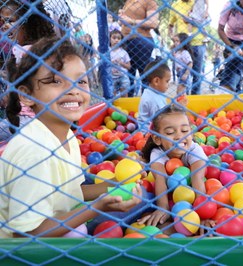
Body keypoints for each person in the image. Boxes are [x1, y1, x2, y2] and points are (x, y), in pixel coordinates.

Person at [0, 37, 143, 238]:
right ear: (26, 96)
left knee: (145, 200)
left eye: (81, 81)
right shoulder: (34, 151)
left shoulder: (66, 135)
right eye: (56, 81)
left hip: (59, 223)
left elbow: (67, 194)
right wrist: (95, 208)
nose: (73, 90)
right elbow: (25, 235)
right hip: (22, 250)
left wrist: (110, 187)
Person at [138, 106, 207, 227]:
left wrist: (201, 215)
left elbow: (197, 178)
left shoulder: (195, 150)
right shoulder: (157, 153)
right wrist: (163, 208)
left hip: (188, 193)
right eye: (170, 132)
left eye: (185, 130)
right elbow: (160, 178)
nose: (179, 136)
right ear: (157, 138)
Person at [0, 0, 56, 141]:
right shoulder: (31, 48)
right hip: (27, 117)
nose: (4, 25)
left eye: (10, 20)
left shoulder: (27, 51)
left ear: (27, 22)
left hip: (28, 119)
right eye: (3, 21)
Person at [119, 0, 159, 96]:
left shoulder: (149, 1)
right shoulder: (128, 1)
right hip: (125, 41)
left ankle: (146, 104)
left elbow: (153, 23)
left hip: (141, 40)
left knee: (144, 75)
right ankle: (129, 104)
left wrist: (132, 21)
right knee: (127, 76)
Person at [169, 0, 207, 95]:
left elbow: (205, 19)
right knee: (182, 72)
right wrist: (173, 39)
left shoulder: (198, 2)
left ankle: (195, 97)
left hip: (198, 43)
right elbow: (170, 25)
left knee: (197, 74)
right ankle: (182, 97)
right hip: (183, 46)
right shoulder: (175, 5)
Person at [137, 60, 172, 131]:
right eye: (167, 81)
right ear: (156, 81)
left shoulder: (151, 92)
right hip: (150, 133)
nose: (169, 84)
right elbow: (160, 122)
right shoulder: (153, 101)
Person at [109, 29, 131, 97]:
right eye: (114, 38)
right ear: (110, 39)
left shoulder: (124, 53)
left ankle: (126, 106)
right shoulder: (107, 52)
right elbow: (103, 64)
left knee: (124, 94)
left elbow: (129, 66)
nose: (116, 40)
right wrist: (110, 62)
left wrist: (121, 63)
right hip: (111, 77)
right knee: (113, 95)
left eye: (119, 38)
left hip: (123, 76)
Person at [172, 33, 193, 97]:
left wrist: (186, 74)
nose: (175, 43)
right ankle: (182, 103)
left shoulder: (185, 52)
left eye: (177, 41)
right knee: (181, 92)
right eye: (174, 41)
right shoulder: (178, 52)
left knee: (179, 92)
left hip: (183, 72)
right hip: (179, 73)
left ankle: (180, 105)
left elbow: (190, 63)